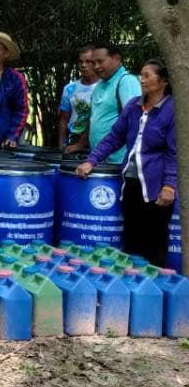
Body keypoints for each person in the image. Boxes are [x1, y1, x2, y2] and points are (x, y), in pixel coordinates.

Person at [76, 60, 176, 267]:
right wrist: (91, 161)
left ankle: (154, 289)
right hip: (131, 182)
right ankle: (132, 288)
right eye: (141, 74)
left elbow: (173, 152)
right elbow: (114, 137)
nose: (142, 79)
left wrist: (169, 185)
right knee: (132, 238)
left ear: (163, 80)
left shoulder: (172, 110)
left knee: (155, 240)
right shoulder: (133, 106)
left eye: (147, 75)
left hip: (156, 185)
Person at [72, 43, 142, 163]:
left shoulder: (126, 82)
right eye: (93, 63)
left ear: (116, 59)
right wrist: (80, 144)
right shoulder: (99, 85)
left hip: (119, 161)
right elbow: (93, 118)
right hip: (100, 159)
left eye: (100, 61)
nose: (96, 66)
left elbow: (134, 121)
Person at [59, 46, 99, 150]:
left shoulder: (104, 88)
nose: (83, 65)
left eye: (88, 61)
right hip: (74, 138)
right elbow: (63, 119)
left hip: (98, 139)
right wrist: (61, 145)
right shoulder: (69, 89)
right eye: (80, 62)